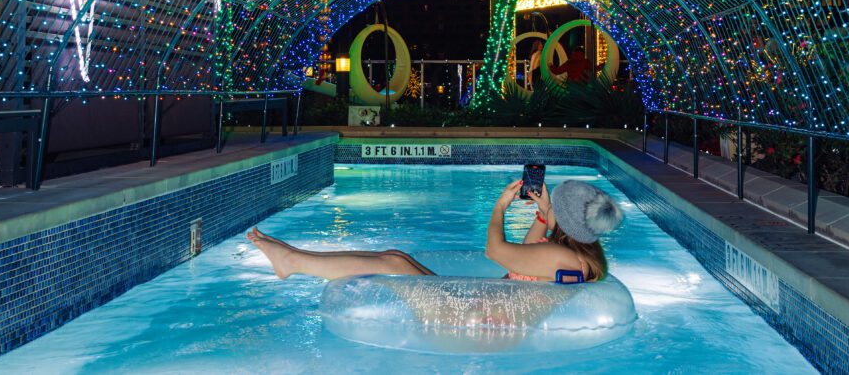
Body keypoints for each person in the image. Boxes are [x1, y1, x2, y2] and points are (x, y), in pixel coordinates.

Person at [246, 179, 623, 283]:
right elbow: (525, 259)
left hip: (479, 318)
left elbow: (496, 251)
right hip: (487, 305)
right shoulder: (574, 255)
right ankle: (294, 258)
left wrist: (500, 207)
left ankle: (291, 261)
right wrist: (544, 218)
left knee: (393, 265)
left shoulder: (561, 256)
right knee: (397, 256)